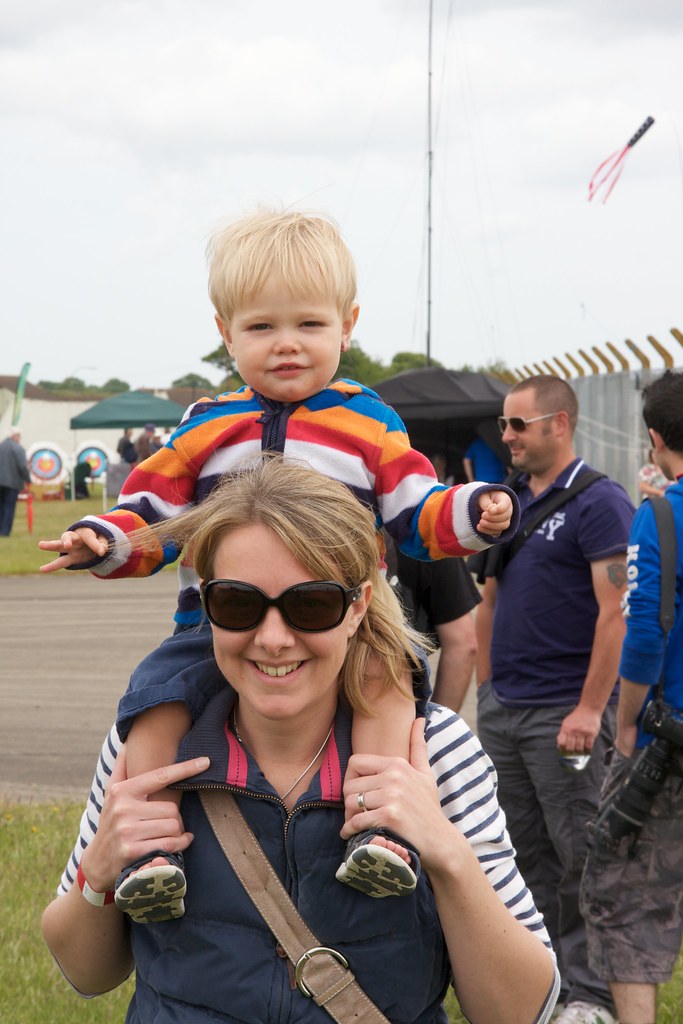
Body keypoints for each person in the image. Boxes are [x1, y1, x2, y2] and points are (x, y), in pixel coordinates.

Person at [38, 208, 519, 922]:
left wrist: (474, 509)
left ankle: (382, 830)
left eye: (309, 324)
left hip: (346, 622)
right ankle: (149, 847)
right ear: (225, 332)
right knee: (153, 698)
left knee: (389, 681)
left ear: (347, 325)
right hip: (214, 621)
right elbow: (154, 509)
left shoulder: (369, 423)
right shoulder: (205, 424)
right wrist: (103, 539)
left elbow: (416, 508)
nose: (286, 343)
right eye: (261, 326)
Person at [41, 457, 559, 1023]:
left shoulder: (433, 750)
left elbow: (520, 1011)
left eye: (311, 605)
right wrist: (99, 873)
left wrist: (446, 852)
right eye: (237, 604)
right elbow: (87, 974)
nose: (273, 638)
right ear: (205, 604)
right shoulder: (151, 746)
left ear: (358, 607)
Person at [474, 374, 634, 1024]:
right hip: (504, 710)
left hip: (564, 714)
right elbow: (488, 601)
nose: (506, 436)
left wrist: (590, 709)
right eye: (504, 424)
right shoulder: (507, 501)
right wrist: (485, 687)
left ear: (559, 424)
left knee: (580, 855)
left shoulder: (600, 501)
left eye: (518, 424)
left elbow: (616, 613)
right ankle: (541, 986)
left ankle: (591, 996)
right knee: (518, 854)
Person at [581, 370, 683, 1024]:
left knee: (624, 900)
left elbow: (643, 629)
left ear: (654, 437)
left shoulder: (662, 514)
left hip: (666, 744)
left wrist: (624, 725)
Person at [384, 531, 481, 713]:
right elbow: (463, 644)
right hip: (397, 714)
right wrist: (435, 724)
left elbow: (463, 646)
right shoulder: (423, 524)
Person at [0, 426, 31, 536]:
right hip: (12, 483)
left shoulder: (1, 446)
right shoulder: (18, 448)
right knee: (9, 506)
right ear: (15, 436)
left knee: (1, 506)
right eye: (19, 436)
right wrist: (28, 479)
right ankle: (5, 531)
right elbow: (22, 466)